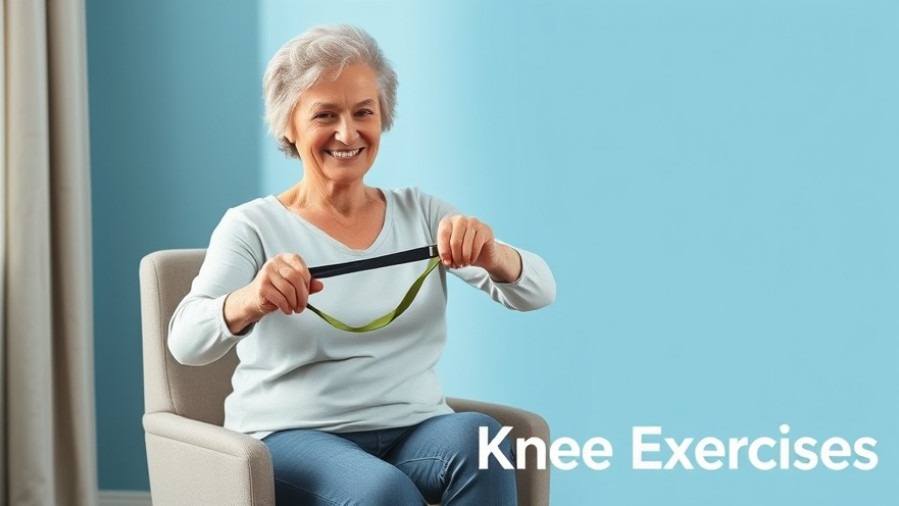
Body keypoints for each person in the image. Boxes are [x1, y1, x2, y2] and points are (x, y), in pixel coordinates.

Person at [168, 24, 555, 506]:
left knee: (483, 441)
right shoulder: (252, 226)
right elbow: (185, 342)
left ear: (383, 117)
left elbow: (539, 292)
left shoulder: (424, 214)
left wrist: (495, 255)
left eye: (363, 113)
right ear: (288, 123)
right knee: (381, 490)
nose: (347, 134)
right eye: (324, 115)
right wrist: (250, 299)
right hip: (292, 436)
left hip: (414, 430)